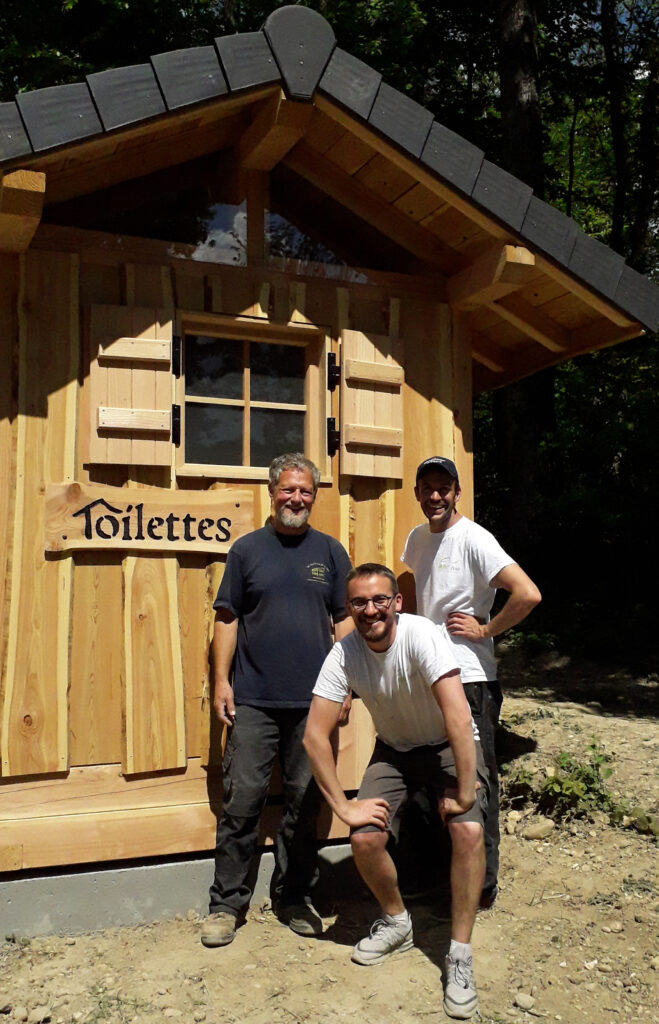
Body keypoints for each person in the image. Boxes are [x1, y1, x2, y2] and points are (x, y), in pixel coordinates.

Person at [304, 563, 488, 1021]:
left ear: (397, 603)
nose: (371, 610)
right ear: (349, 609)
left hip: (448, 744)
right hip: (395, 751)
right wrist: (343, 806)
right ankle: (397, 921)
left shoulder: (421, 636)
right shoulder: (344, 653)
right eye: (360, 603)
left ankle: (459, 953)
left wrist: (465, 791)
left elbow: (458, 717)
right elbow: (313, 735)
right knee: (364, 836)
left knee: (467, 832)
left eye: (380, 600)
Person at [201, 453, 352, 948]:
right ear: (272, 492)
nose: (297, 499)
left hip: (314, 703)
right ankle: (226, 904)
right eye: (288, 489)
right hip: (254, 700)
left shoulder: (330, 553)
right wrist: (221, 682)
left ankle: (293, 898)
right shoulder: (247, 551)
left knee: (304, 805)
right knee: (242, 802)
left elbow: (345, 624)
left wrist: (346, 685)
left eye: (305, 491)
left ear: (314, 496)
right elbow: (227, 618)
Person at [401, 455, 541, 907]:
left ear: (457, 492)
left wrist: (486, 629)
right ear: (418, 493)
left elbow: (528, 593)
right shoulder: (417, 539)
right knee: (429, 773)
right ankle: (436, 878)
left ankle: (481, 886)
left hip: (470, 678)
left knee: (475, 778)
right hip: (428, 674)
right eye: (428, 488)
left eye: (445, 487)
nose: (436, 495)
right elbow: (416, 592)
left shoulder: (475, 539)